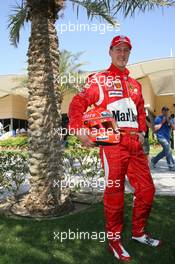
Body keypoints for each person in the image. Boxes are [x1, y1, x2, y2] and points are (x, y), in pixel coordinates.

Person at [68, 35, 161, 262]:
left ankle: (138, 232)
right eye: (118, 50)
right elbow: (77, 104)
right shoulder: (99, 80)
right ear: (110, 52)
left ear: (129, 53)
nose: (122, 54)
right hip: (112, 145)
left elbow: (140, 113)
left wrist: (141, 132)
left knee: (147, 190)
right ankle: (114, 241)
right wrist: (79, 130)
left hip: (135, 145)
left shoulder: (136, 85)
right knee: (114, 195)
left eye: (126, 50)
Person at [151, 106, 175, 170]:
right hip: (161, 137)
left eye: (167, 110)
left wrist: (169, 122)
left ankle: (154, 160)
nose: (166, 112)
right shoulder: (158, 118)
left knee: (165, 152)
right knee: (168, 148)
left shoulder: (171, 119)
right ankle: (171, 165)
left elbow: (174, 128)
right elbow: (155, 128)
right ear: (162, 111)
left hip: (167, 138)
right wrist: (162, 122)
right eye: (164, 110)